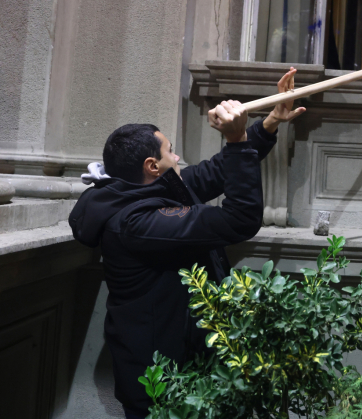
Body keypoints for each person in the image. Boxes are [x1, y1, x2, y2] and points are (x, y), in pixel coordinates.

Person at [68, 68, 306, 419]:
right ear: (153, 166)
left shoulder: (146, 189)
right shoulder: (136, 223)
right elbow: (239, 219)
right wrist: (236, 141)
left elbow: (215, 172)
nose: (178, 158)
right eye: (171, 152)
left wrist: (268, 123)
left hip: (182, 366)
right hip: (159, 380)